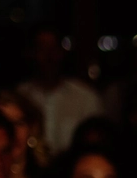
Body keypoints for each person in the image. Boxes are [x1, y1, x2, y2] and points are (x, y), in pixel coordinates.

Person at [17, 28, 103, 158]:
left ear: (62, 52)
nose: (49, 56)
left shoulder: (86, 97)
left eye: (53, 49)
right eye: (42, 49)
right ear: (32, 53)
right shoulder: (20, 97)